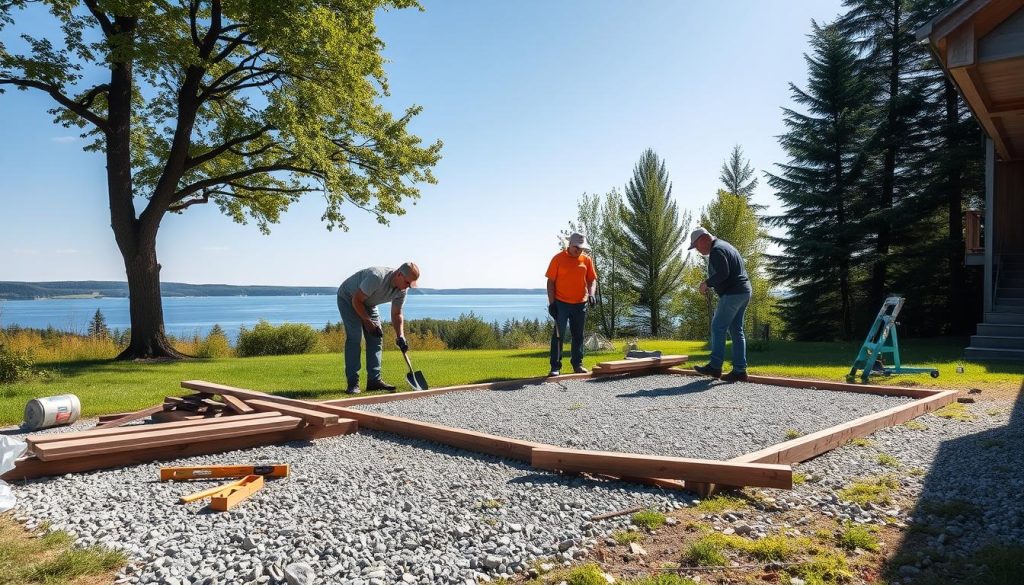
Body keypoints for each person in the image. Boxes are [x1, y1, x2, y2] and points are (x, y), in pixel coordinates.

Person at [336, 262, 419, 394]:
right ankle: (353, 384)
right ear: (399, 274)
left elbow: (397, 313)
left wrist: (400, 336)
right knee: (355, 338)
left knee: (376, 338)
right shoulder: (376, 277)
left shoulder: (402, 290)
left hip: (369, 303)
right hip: (349, 298)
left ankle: (374, 381)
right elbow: (356, 300)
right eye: (407, 282)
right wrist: (367, 322)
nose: (408, 286)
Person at [689, 227, 752, 382]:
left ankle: (715, 366)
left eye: (696, 246)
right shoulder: (725, 246)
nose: (697, 250)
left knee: (718, 326)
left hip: (733, 294)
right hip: (744, 292)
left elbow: (724, 273)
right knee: (737, 331)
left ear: (703, 239)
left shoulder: (716, 250)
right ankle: (740, 371)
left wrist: (707, 283)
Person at [545, 232, 598, 376]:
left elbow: (592, 280)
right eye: (577, 247)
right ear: (570, 245)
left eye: (581, 248)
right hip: (561, 303)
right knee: (558, 335)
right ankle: (555, 367)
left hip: (580, 303)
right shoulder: (558, 259)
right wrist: (552, 304)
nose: (579, 250)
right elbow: (550, 282)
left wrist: (592, 294)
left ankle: (577, 364)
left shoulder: (586, 260)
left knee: (578, 335)